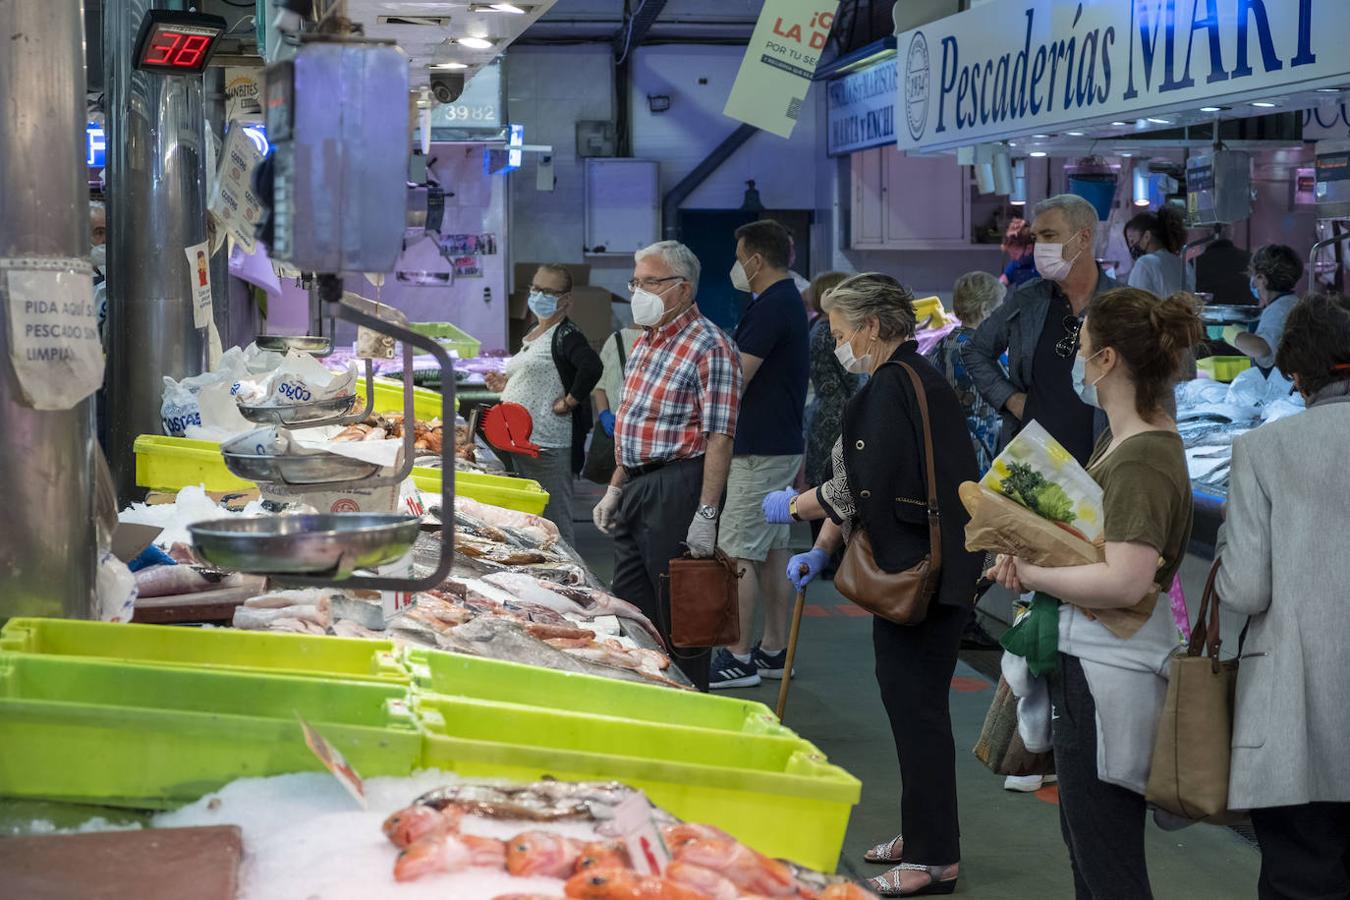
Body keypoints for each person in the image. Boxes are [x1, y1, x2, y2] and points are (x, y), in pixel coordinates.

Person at [764, 273, 983, 897]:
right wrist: (824, 546)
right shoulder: (915, 378)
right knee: (912, 710)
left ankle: (935, 858)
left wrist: (800, 506)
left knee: (918, 715)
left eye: (840, 333)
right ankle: (924, 837)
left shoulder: (891, 388)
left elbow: (860, 485)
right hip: (932, 569)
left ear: (872, 327)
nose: (837, 345)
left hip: (920, 578)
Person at [989, 287, 1203, 900]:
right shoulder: (1126, 442)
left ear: (1107, 360)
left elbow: (1124, 579)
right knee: (1089, 844)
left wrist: (1031, 576)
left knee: (1104, 856)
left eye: (1081, 351)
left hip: (1110, 669)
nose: (1077, 365)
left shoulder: (1142, 458)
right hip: (1097, 662)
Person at [1216, 292, 1350, 900]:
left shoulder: (1264, 451)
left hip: (1295, 712)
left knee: (1300, 874)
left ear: (1295, 373)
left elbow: (1245, 587)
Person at [591, 241, 742, 691]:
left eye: (649, 282)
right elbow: (635, 423)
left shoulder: (710, 347)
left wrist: (707, 514)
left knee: (680, 616)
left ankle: (687, 705)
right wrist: (616, 486)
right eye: (635, 281)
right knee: (632, 607)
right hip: (638, 485)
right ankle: (644, 695)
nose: (638, 290)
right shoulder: (647, 340)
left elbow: (720, 437)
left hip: (678, 487)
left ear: (682, 288)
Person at [709, 220, 810, 690]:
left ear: (755, 259)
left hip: (758, 449)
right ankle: (773, 649)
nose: (735, 265)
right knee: (772, 551)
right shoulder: (785, 302)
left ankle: (737, 655)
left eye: (738, 254)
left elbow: (737, 379)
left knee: (737, 551)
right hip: (781, 442)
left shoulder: (771, 306)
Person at [965, 193, 1118, 466]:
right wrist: (1009, 398)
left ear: (1084, 238)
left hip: (1100, 464)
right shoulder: (1028, 299)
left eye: (1049, 236)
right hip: (1032, 465)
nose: (1039, 247)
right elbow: (977, 349)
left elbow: (1158, 381)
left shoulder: (1121, 304)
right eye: (1037, 238)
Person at [484, 264, 602, 548]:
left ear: (566, 300)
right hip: (520, 441)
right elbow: (540, 374)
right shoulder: (536, 329)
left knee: (555, 524)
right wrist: (506, 383)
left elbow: (591, 365)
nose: (538, 295)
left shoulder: (566, 334)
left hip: (545, 444)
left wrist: (569, 401)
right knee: (532, 522)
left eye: (548, 291)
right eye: (535, 288)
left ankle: (572, 582)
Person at [925, 271, 1007, 473]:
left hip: (943, 447)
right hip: (982, 450)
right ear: (986, 309)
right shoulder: (986, 351)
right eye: (1001, 305)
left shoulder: (942, 345)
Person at [802, 271, 857, 563]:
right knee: (837, 479)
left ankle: (822, 554)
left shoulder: (817, 327)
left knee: (822, 477)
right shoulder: (831, 333)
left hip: (822, 411)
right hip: (837, 413)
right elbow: (852, 379)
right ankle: (832, 557)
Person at [1222, 243, 1302, 372]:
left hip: (1279, 385)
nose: (1252, 281)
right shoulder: (1289, 303)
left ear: (1261, 278)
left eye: (1253, 275)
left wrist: (1230, 334)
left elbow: (1262, 348)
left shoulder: (1278, 309)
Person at [1124, 205, 1195, 297]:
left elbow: (1135, 305)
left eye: (1132, 240)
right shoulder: (1185, 265)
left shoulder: (1145, 263)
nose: (1131, 246)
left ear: (1147, 236)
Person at [591, 324, 642, 438]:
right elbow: (600, 384)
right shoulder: (615, 340)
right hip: (615, 427)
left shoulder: (665, 341)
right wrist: (604, 413)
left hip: (645, 431)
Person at [1000, 218, 1038, 289]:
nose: (1012, 257)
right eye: (1010, 254)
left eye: (1015, 254)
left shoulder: (1044, 264)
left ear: (1029, 248)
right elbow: (1004, 279)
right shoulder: (1016, 264)